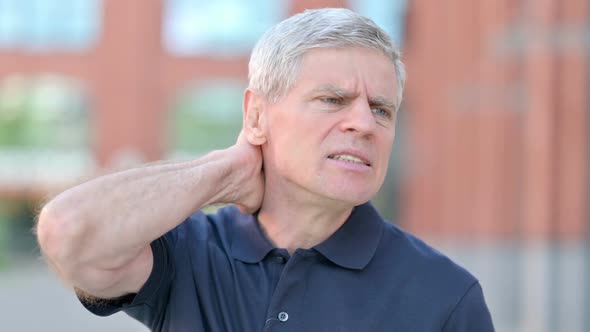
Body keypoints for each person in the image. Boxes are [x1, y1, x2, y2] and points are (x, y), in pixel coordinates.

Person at [36, 8, 495, 332]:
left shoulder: (445, 296)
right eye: (332, 100)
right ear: (256, 116)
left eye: (381, 109)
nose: (363, 122)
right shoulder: (191, 253)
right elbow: (70, 231)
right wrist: (226, 170)